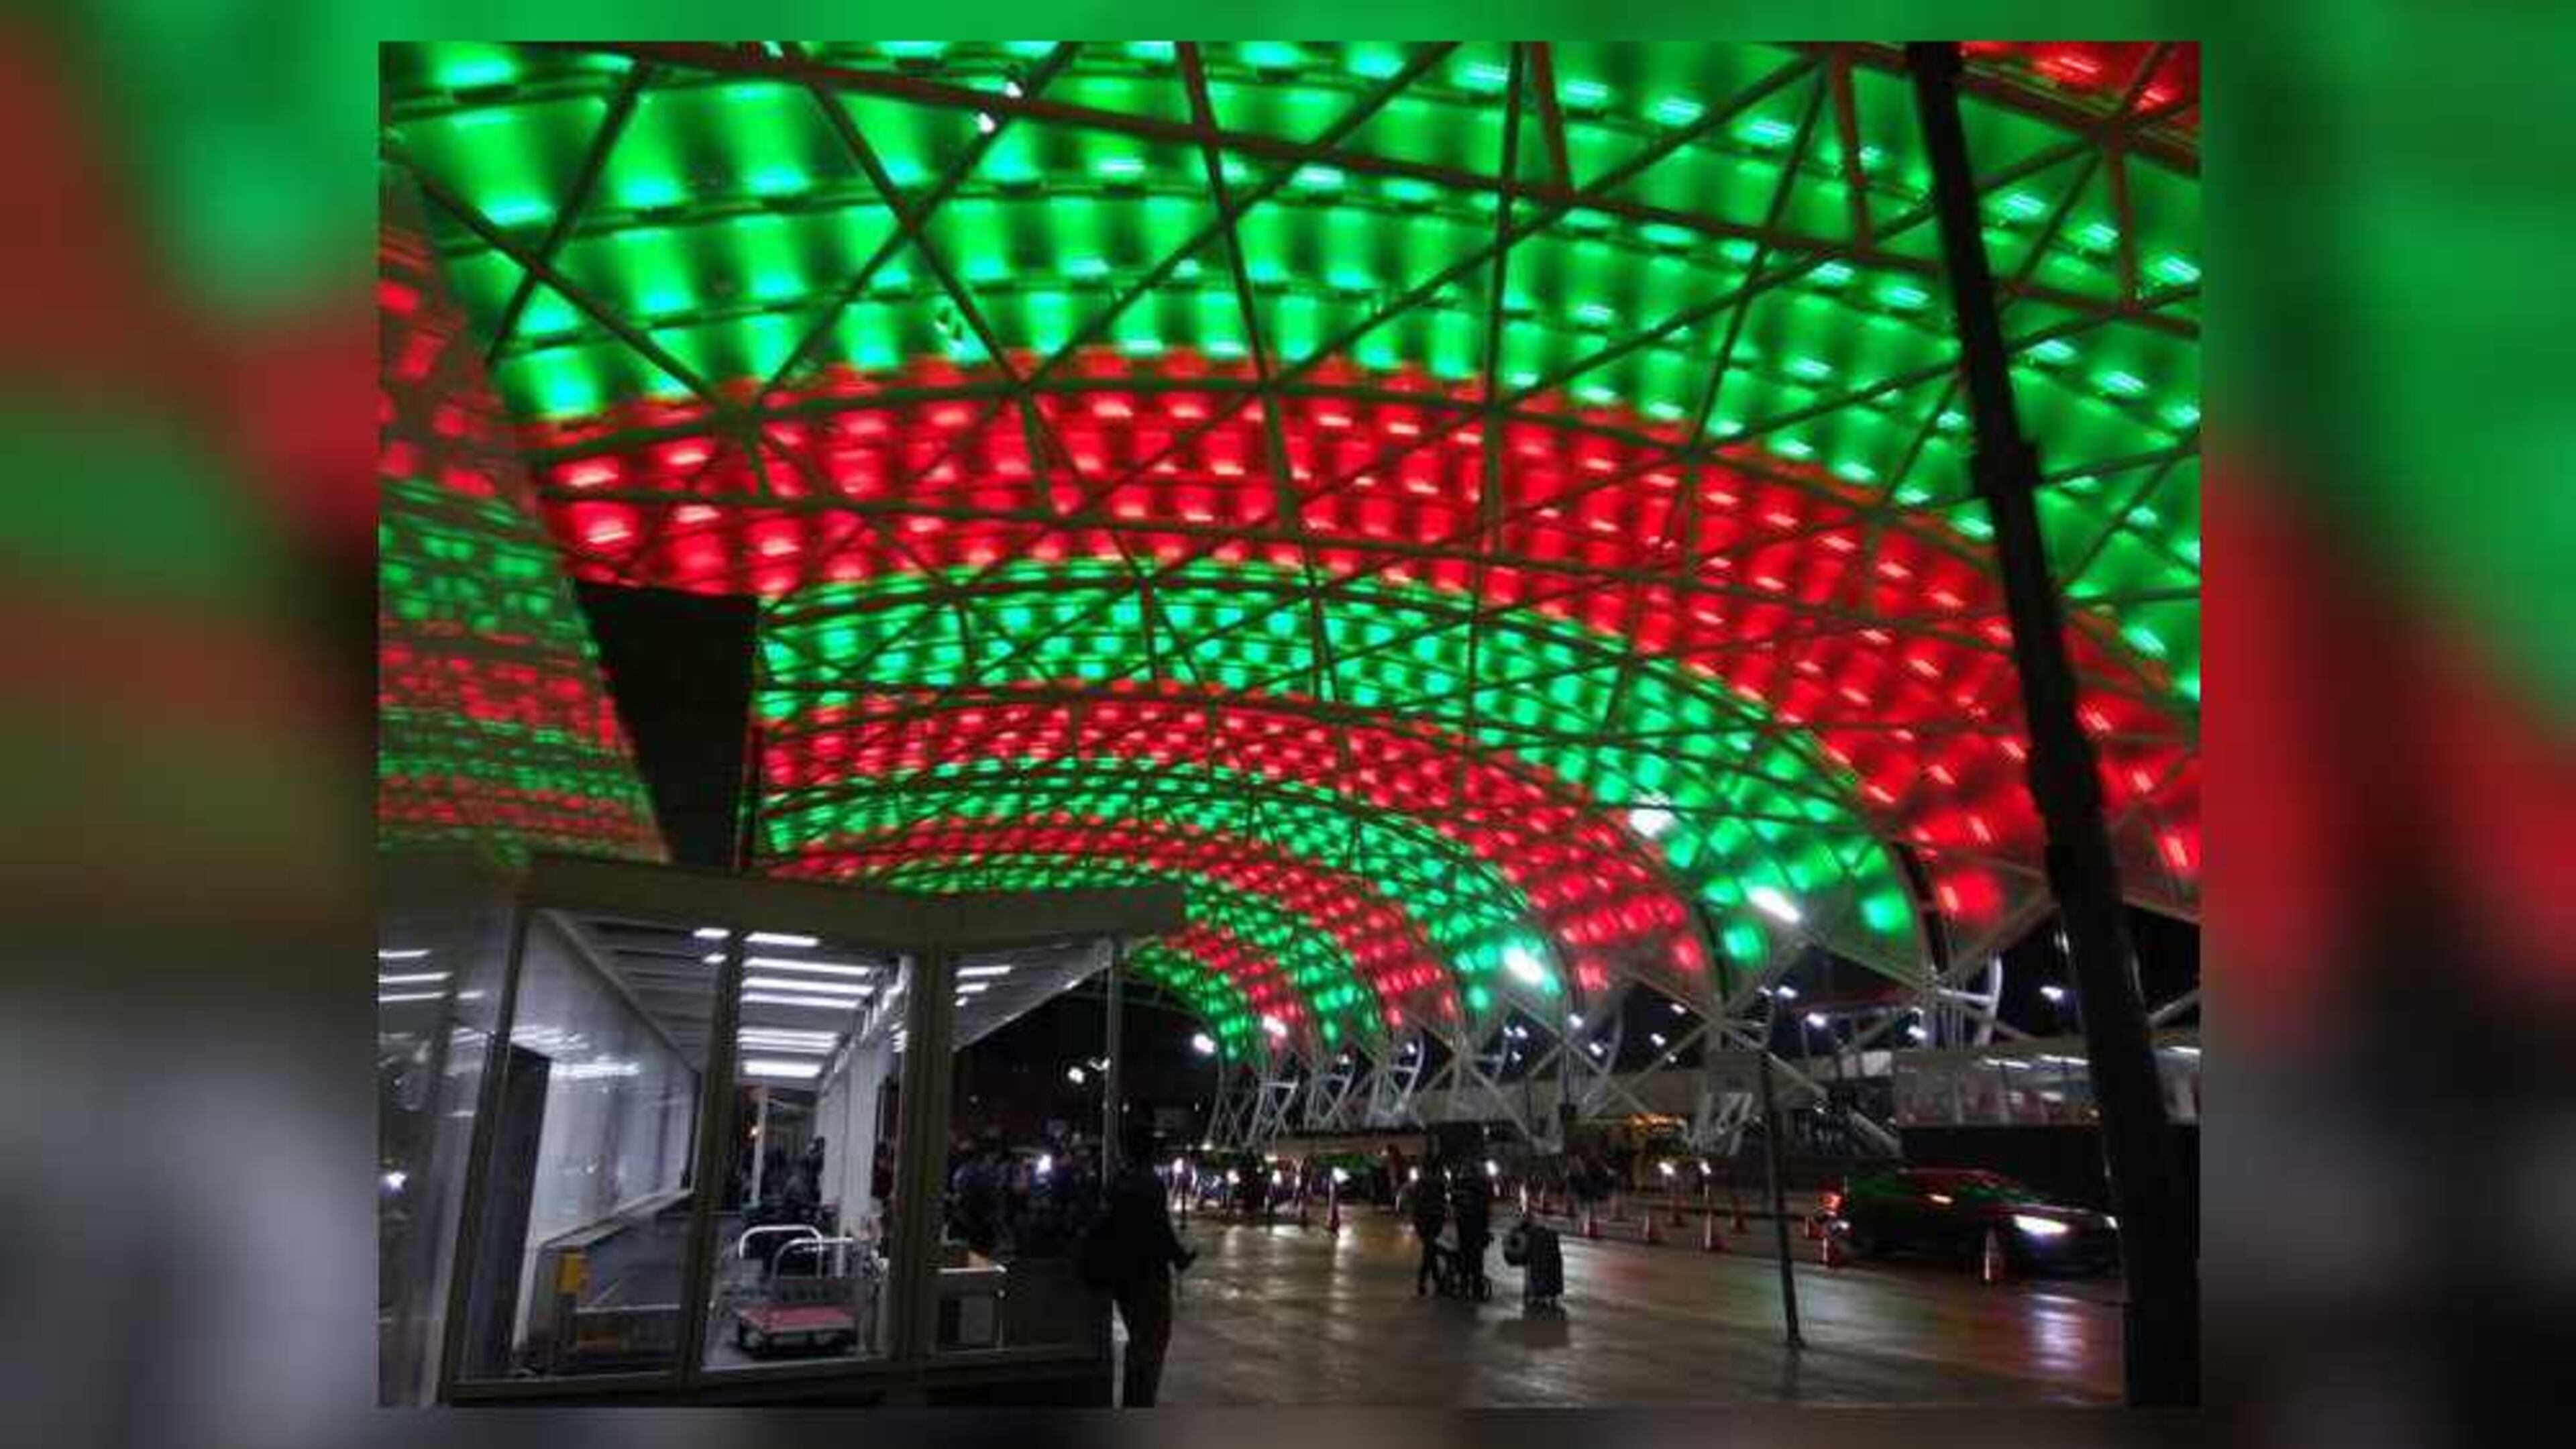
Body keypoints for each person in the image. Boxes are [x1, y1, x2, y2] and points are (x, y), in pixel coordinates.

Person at [1085, 1119, 1195, 1407]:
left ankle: (1133, 1401)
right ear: (1150, 1150)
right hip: (1148, 1277)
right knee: (1151, 1346)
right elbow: (1160, 1229)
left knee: (1138, 1344)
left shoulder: (1117, 1182)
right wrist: (1180, 1258)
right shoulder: (1150, 1184)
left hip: (1123, 1277)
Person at [1451, 1163, 1493, 1300]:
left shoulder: (1459, 1184)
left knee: (1464, 1256)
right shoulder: (1482, 1185)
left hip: (1464, 1227)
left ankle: (1465, 1287)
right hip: (1478, 1227)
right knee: (1477, 1259)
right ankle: (1477, 1289)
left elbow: (1454, 1203)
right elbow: (1486, 1208)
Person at [1411, 1158, 1449, 1296]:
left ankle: (1431, 1283)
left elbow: (1415, 1205)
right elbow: (1442, 1205)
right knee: (1429, 1252)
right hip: (1432, 1223)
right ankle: (1429, 1283)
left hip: (1423, 1223)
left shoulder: (1420, 1184)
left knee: (1429, 1252)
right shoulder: (1438, 1184)